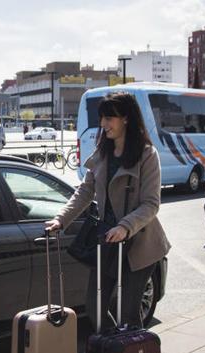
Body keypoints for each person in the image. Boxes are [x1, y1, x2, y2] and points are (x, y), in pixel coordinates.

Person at [46, 91, 170, 329]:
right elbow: (84, 192)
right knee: (95, 308)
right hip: (108, 242)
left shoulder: (146, 154)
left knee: (128, 312)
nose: (103, 124)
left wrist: (125, 226)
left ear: (126, 118)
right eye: (102, 118)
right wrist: (61, 220)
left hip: (139, 244)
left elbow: (151, 203)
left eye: (109, 118)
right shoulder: (102, 152)